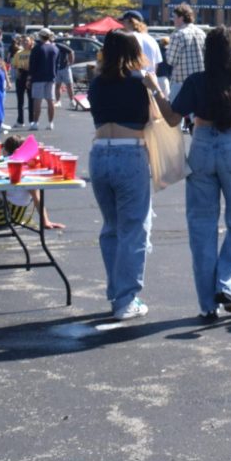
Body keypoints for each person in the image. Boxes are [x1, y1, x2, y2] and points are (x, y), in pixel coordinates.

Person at [150, 27, 231, 320]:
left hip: (201, 144)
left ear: (207, 52)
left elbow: (173, 117)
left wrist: (155, 89)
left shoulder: (197, 81)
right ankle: (229, 286)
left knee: (202, 226)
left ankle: (207, 304)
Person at [88, 30, 154, 321]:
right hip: (131, 152)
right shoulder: (139, 83)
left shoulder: (97, 84)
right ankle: (126, 299)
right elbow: (160, 118)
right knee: (134, 229)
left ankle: (117, 293)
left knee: (112, 227)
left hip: (100, 152)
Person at [0, 135, 65, 230]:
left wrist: (45, 221)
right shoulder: (22, 164)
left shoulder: (19, 168)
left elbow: (36, 196)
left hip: (8, 212)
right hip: (10, 208)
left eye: (2, 147)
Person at [166, 3, 206, 103]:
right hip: (200, 81)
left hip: (181, 81)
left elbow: (171, 61)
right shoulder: (202, 33)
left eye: (174, 17)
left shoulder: (178, 35)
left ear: (181, 18)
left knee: (175, 114)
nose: (173, 20)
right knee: (197, 114)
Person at [121, 10, 166, 89]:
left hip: (134, 83)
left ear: (130, 22)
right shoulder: (151, 39)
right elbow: (156, 65)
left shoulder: (129, 38)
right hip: (152, 83)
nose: (122, 25)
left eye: (124, 22)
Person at [28, 28, 60, 130]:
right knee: (50, 101)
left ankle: (36, 123)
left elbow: (32, 64)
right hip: (51, 77)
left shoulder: (37, 48)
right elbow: (57, 64)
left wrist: (29, 78)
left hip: (38, 77)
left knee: (38, 100)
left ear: (40, 36)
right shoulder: (55, 48)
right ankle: (51, 123)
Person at [11, 36, 34, 127]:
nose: (25, 43)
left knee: (31, 100)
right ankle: (20, 121)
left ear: (31, 42)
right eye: (23, 41)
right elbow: (15, 65)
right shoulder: (18, 53)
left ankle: (32, 120)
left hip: (30, 74)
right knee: (20, 100)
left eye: (27, 41)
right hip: (21, 75)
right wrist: (17, 72)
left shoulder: (33, 52)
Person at [54, 39, 76, 109]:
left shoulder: (59, 45)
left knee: (69, 85)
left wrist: (70, 62)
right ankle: (58, 101)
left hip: (65, 68)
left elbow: (71, 51)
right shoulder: (49, 46)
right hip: (56, 69)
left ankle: (72, 100)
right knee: (57, 85)